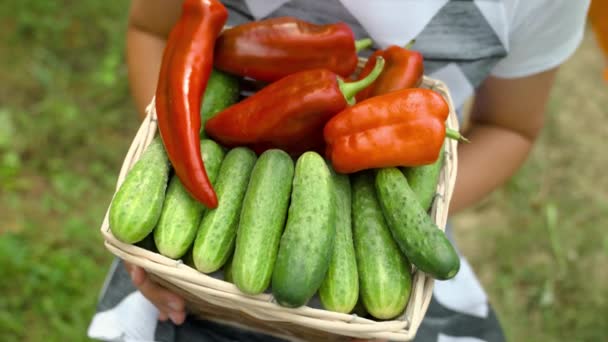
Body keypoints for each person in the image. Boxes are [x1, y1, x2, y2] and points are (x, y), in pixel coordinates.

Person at [87, 1, 591, 341]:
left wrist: (406, 226)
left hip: (397, 234)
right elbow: (153, 30)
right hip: (189, 230)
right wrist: (173, 173)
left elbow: (511, 128)